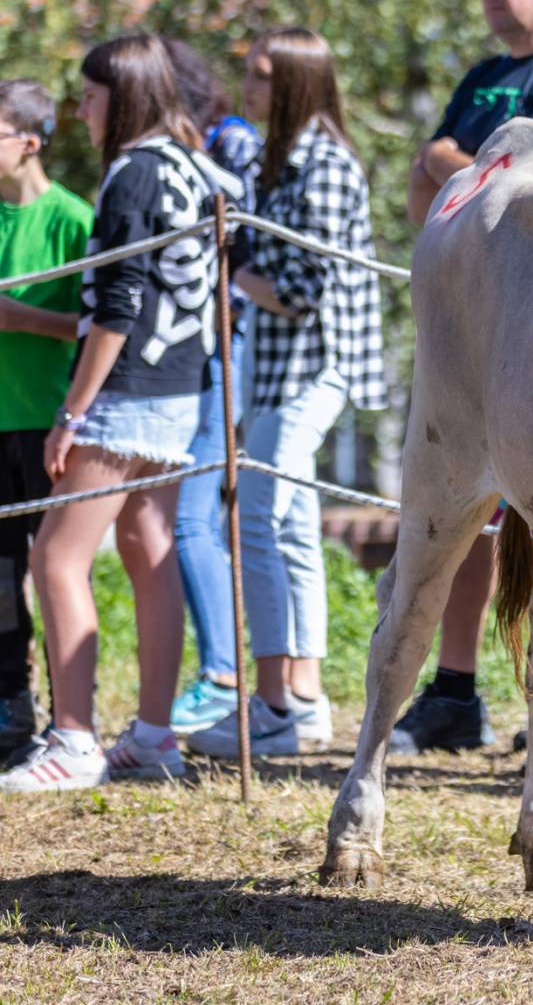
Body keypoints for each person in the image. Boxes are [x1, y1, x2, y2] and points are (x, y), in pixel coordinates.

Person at [0, 36, 238, 792]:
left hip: (126, 392)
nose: (83, 110)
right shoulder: (192, 164)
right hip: (178, 389)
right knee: (147, 546)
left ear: (124, 96)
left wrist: (73, 412)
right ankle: (154, 735)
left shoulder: (133, 171)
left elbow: (115, 305)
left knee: (57, 558)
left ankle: (73, 738)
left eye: (93, 96)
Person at [392, 0, 533, 755]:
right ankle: (454, 689)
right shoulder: (481, 78)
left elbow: (525, 183)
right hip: (467, 328)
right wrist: (444, 171)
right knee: (455, 509)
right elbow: (420, 202)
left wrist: (442, 159)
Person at [187, 30, 387, 760]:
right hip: (276, 366)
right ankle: (299, 696)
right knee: (292, 524)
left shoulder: (323, 164)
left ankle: (274, 702)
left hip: (312, 364)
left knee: (262, 522)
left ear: (299, 83)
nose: (249, 86)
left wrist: (231, 266)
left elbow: (302, 294)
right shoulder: (281, 159)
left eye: (263, 76)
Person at [160, 39, 264, 735]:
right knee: (193, 514)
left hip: (222, 347)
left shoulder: (232, 145)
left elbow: (244, 248)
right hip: (205, 348)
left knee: (193, 515)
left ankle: (224, 673)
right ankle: (222, 668)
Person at [0, 81, 94, 763]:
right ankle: (11, 698)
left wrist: (25, 319)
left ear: (28, 142)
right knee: (0, 575)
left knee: (54, 563)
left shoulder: (73, 219)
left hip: (46, 421)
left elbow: (101, 327)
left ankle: (72, 722)